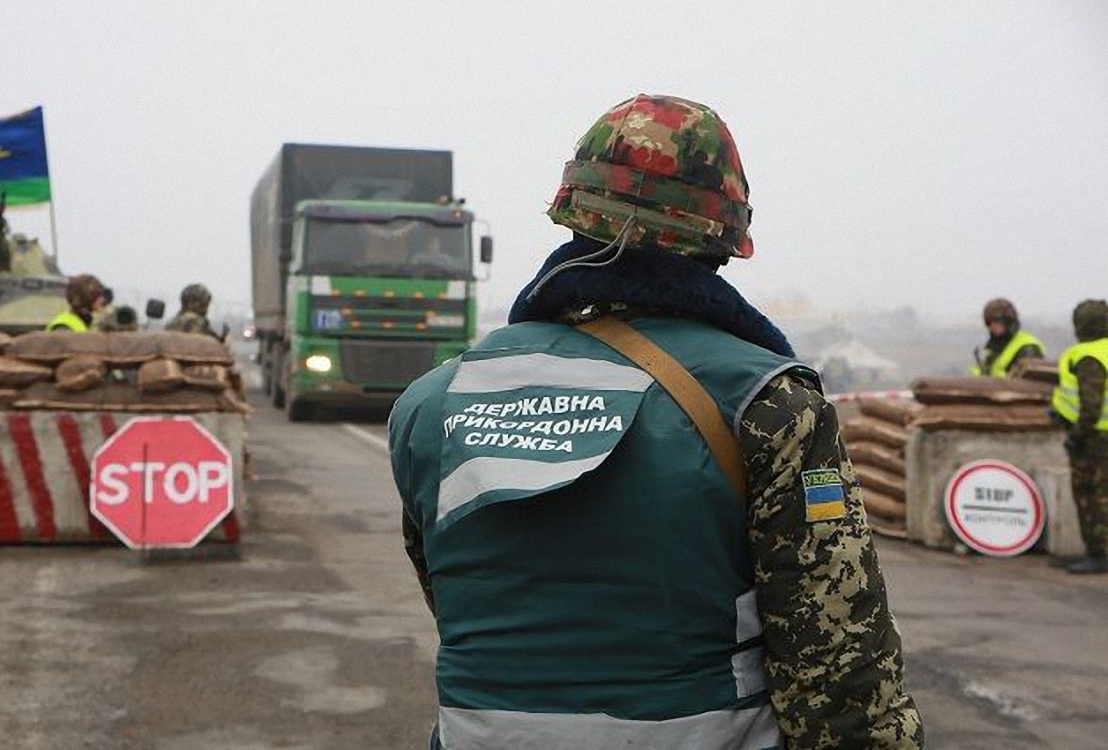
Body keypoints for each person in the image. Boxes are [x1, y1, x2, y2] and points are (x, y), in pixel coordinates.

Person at [389, 94, 922, 749]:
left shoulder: (430, 405)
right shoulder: (770, 403)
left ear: (574, 211)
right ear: (721, 235)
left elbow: (457, 604)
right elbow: (836, 666)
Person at [1052, 299, 1108, 574]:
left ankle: (1099, 553)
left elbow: (1091, 405)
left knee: (1091, 494)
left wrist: (1077, 434)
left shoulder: (1089, 356)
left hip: (1095, 439)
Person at [971, 298, 1045, 378]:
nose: (993, 325)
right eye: (989, 322)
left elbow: (1028, 383)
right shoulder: (992, 350)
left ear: (1008, 321)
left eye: (997, 320)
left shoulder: (1029, 348)